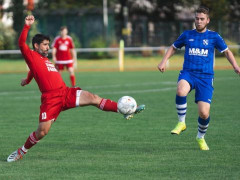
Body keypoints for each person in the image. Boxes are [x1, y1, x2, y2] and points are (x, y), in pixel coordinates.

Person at [7, 15, 145, 162]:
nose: (48, 47)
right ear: (36, 46)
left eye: (48, 44)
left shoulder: (44, 59)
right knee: (42, 131)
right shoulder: (31, 55)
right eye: (45, 45)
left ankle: (123, 109)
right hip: (51, 99)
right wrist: (27, 26)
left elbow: (33, 71)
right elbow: (21, 43)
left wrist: (27, 80)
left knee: (93, 98)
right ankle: (21, 151)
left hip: (66, 92)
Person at [158, 7, 240, 150]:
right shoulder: (187, 35)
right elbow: (173, 47)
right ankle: (181, 122)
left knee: (204, 113)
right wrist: (163, 61)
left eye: (202, 19)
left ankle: (200, 137)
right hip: (188, 73)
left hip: (206, 78)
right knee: (180, 90)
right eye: (197, 18)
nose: (199, 21)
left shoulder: (214, 37)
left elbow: (227, 52)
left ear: (207, 20)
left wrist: (235, 66)